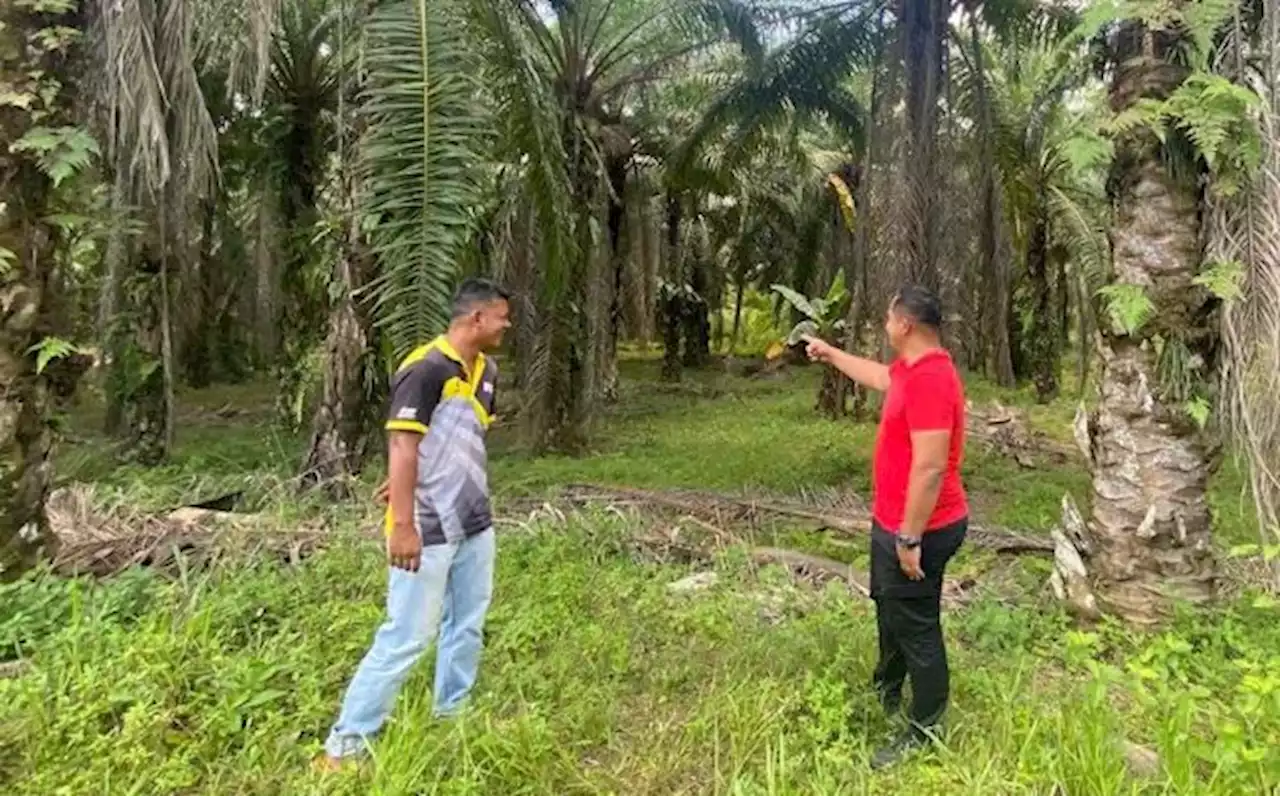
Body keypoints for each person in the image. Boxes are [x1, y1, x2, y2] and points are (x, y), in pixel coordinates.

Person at [318, 277, 511, 769]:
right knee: (406, 635)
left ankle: (454, 714)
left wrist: (414, 476)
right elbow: (402, 444)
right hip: (426, 527)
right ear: (476, 319)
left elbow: (449, 440)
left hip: (474, 522)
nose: (507, 326)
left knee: (466, 626)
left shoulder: (486, 372)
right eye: (502, 317)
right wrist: (402, 522)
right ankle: (346, 746)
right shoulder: (425, 368)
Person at [802, 284, 968, 770]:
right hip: (892, 522)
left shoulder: (933, 380)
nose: (884, 324)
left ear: (905, 325)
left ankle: (925, 728)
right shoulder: (913, 371)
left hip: (924, 528)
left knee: (917, 627)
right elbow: (878, 375)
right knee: (889, 608)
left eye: (887, 318)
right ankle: (886, 689)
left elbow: (932, 466)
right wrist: (831, 354)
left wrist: (911, 536)